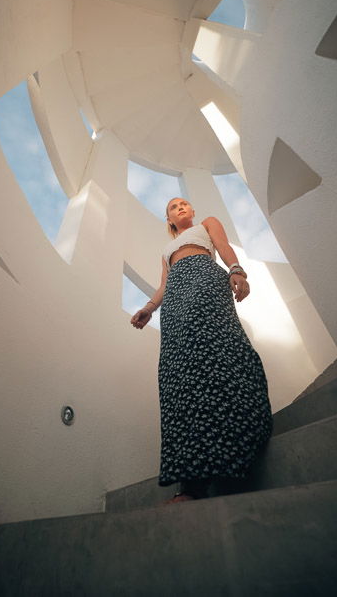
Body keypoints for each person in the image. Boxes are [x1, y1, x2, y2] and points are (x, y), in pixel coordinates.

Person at [130, 197, 273, 503]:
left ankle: (237, 443)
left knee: (215, 352)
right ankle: (192, 483)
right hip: (175, 300)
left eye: (184, 204)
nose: (180, 207)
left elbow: (223, 248)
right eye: (173, 207)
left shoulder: (207, 223)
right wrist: (148, 308)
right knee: (179, 369)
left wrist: (237, 271)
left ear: (192, 212)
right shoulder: (166, 251)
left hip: (206, 279)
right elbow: (164, 285)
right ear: (169, 219)